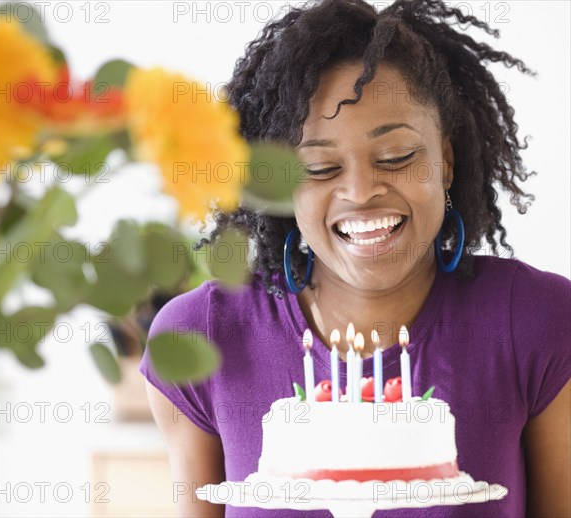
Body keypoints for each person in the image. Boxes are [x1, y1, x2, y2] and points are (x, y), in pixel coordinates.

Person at [139, 0, 571, 516]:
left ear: (447, 161)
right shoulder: (200, 335)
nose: (361, 192)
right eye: (320, 167)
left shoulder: (537, 322)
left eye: (396, 157)